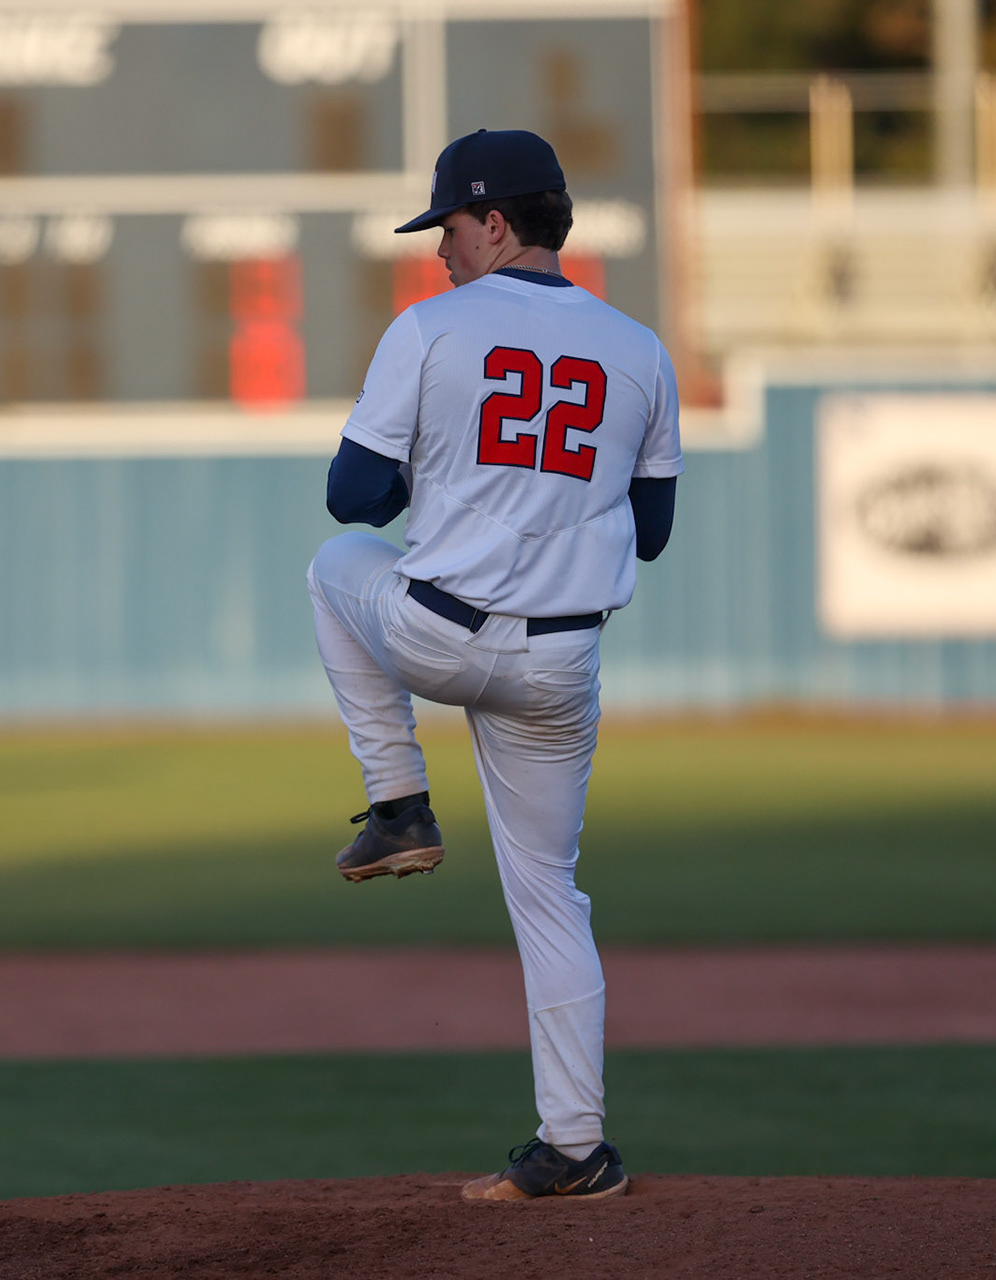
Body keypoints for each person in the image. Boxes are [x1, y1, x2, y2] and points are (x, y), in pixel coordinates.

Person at [306, 128, 680, 1201]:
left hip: (440, 633)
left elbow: (352, 497)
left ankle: (398, 801)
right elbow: (650, 529)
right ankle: (576, 1145)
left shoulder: (428, 328)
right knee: (551, 893)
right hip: (561, 666)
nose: (440, 250)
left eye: (451, 227)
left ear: (499, 221)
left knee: (337, 565)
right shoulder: (640, 348)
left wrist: (441, 465)